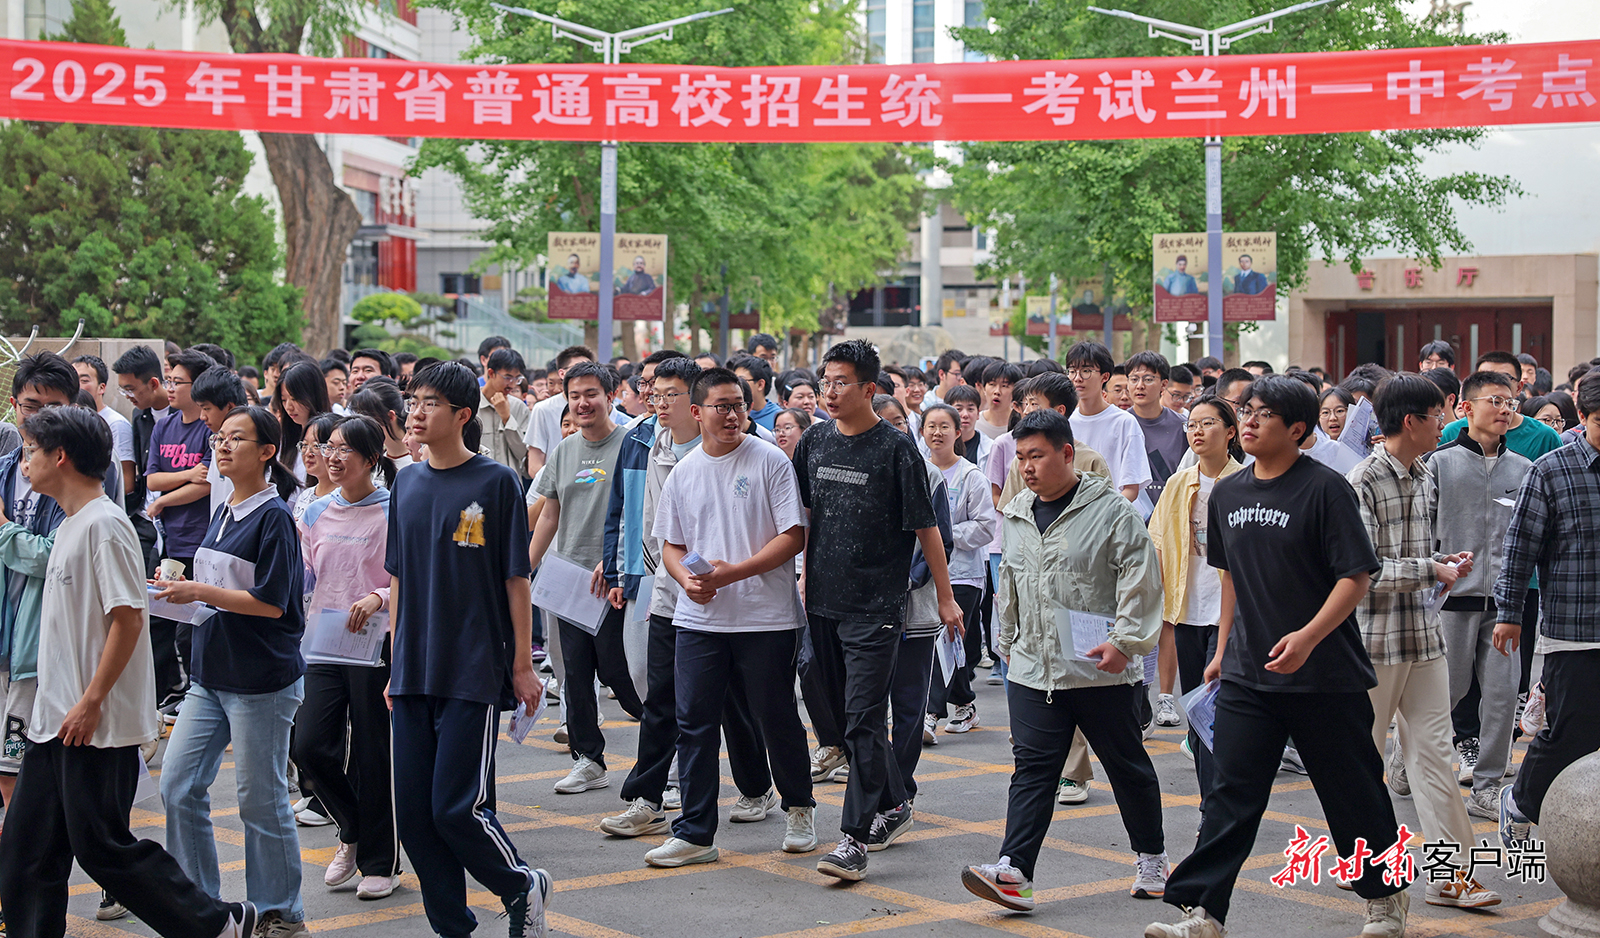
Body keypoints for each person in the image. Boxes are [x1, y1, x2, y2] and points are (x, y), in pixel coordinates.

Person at [1145, 375, 1409, 938]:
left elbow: (1356, 576)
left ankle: (1385, 899)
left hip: (1326, 674)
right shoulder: (1230, 494)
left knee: (1354, 792)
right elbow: (1231, 578)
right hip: (1248, 675)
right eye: (1247, 410)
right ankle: (1203, 913)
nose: (1249, 420)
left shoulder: (1326, 489)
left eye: (1264, 413)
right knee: (1229, 795)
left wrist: (1308, 636)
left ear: (1297, 429)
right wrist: (1222, 649)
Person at [0, 406, 259, 938]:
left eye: (31, 452)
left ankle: (218, 923)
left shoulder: (105, 525)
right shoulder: (72, 525)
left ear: (60, 456)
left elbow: (129, 618)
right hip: (54, 720)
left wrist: (92, 700)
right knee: (27, 852)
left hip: (94, 723)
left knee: (102, 847)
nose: (24, 464)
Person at [961, 409, 1167, 912]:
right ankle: (1014, 871)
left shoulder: (1111, 511)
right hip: (1033, 668)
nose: (1026, 467)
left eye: (1037, 455)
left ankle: (1153, 858)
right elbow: (1010, 584)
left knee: (1126, 766)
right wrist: (1006, 641)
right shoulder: (1016, 513)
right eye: (1020, 457)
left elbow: (1140, 578)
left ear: (1067, 453)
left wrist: (1125, 642)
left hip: (1100, 670)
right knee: (1032, 769)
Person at [385, 362, 552, 938]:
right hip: (413, 667)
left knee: (456, 808)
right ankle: (452, 927)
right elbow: (398, 577)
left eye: (430, 403)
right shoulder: (405, 483)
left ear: (462, 415)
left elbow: (515, 579)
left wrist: (522, 665)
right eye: (414, 401)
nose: (416, 411)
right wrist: (395, 660)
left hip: (472, 665)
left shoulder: (496, 482)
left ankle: (520, 885)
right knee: (414, 816)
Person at [792, 339, 961, 882]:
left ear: (869, 388)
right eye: (825, 382)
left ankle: (853, 840)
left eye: (841, 382)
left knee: (865, 717)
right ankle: (895, 801)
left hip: (877, 606)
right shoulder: (814, 441)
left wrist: (945, 596)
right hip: (822, 602)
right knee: (844, 720)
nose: (829, 392)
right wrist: (800, 579)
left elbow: (926, 529)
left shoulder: (896, 449)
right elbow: (804, 517)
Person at [642, 367, 818, 866]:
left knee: (776, 715)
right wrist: (687, 579)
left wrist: (731, 573)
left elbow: (793, 536)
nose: (733, 415)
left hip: (766, 619)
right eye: (721, 406)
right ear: (697, 412)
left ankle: (799, 807)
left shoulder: (769, 460)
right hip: (699, 620)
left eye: (738, 404)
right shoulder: (685, 470)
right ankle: (696, 833)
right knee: (694, 724)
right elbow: (671, 544)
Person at [153, 406, 309, 937]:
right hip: (210, 674)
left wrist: (199, 591)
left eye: (235, 439)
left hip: (260, 679)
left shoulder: (274, 517)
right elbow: (219, 591)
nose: (222, 446)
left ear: (266, 452)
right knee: (178, 785)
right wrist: (180, 592)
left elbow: (271, 603)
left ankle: (280, 912)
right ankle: (201, 907)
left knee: (260, 800)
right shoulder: (224, 508)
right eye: (219, 438)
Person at [1346, 374, 1500, 910]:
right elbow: (1362, 570)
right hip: (1373, 643)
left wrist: (1441, 564)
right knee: (1362, 759)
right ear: (1410, 421)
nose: (1445, 423)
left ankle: (1451, 875)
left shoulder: (1425, 473)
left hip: (1422, 636)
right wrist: (1430, 569)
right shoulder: (1361, 480)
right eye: (1438, 415)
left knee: (1435, 753)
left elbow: (1412, 555)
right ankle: (1362, 863)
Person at [2, 352, 120, 811]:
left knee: (18, 772)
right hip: (6, 637)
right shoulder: (6, 467)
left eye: (52, 408)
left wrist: (3, 531)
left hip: (39, 647)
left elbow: (54, 557)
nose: (39, 419)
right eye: (31, 407)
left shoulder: (85, 484)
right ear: (14, 405)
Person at [293, 415, 403, 901]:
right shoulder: (315, 511)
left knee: (373, 753)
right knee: (310, 746)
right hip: (323, 641)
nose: (332, 458)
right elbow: (304, 576)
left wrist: (379, 596)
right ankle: (352, 826)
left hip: (374, 643)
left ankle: (381, 862)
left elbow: (408, 575)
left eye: (344, 450)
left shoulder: (393, 510)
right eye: (328, 448)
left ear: (371, 459)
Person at [1493, 377, 1600, 854]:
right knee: (1570, 730)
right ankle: (1520, 803)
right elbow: (1520, 548)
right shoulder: (1551, 471)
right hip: (1575, 626)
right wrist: (1509, 612)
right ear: (1584, 418)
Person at [528, 362, 644, 792]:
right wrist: (523, 568)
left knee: (621, 673)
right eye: (574, 396)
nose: (582, 403)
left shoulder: (632, 444)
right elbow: (550, 513)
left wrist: (614, 560)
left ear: (610, 396)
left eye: (591, 393)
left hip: (613, 581)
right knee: (575, 675)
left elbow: (641, 510)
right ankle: (588, 759)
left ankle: (667, 746)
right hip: (569, 579)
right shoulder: (564, 450)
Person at [1426, 370, 1532, 818]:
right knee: (1445, 694)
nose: (1505, 409)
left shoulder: (1524, 469)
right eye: (1495, 401)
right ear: (1466, 408)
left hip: (1506, 606)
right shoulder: (1438, 464)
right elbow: (1422, 533)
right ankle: (1407, 757)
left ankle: (1487, 787)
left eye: (1510, 402)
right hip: (1451, 602)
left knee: (1503, 699)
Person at [1149, 396, 1245, 821]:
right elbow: (1157, 541)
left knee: (1220, 715)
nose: (1197, 431)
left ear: (1231, 431)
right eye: (1192, 424)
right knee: (1197, 715)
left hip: (1230, 615)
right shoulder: (1178, 483)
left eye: (1208, 423)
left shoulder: (1245, 482)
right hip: (1186, 612)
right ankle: (1212, 803)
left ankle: (1217, 806)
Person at [920, 404, 996, 740]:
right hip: (924, 575)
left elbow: (986, 526)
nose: (937, 433)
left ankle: (930, 713)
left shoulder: (970, 476)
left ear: (957, 432)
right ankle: (965, 703)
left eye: (944, 426)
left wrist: (943, 535)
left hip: (963, 574)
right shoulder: (916, 471)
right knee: (948, 645)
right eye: (931, 426)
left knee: (948, 640)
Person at [1064, 342, 1150, 503]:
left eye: (1086, 371)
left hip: (1113, 512)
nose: (1077, 378)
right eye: (1072, 371)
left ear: (1104, 377)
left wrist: (1104, 512)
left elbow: (1131, 488)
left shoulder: (1124, 422)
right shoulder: (1065, 422)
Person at [523, 345, 596, 478]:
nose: (584, 374)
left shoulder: (597, 406)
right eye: (577, 369)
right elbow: (534, 466)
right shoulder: (543, 409)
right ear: (562, 373)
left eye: (589, 369)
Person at [71, 354, 135, 501]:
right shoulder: (65, 420)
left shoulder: (116, 424)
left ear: (102, 387)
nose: (77, 385)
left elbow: (127, 481)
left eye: (84, 380)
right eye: (72, 379)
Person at [189, 367, 249, 518]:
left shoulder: (252, 443)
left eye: (207, 409)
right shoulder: (216, 441)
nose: (202, 416)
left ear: (230, 407)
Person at [273, 360, 334, 481]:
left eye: (295, 399)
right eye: (284, 400)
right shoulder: (284, 439)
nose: (289, 407)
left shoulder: (335, 437)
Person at [479, 347, 530, 476]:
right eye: (507, 377)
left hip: (509, 483)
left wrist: (507, 418)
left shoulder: (519, 407)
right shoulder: (472, 405)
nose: (512, 385)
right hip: (478, 481)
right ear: (491, 373)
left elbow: (522, 453)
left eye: (517, 378)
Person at [944, 385, 994, 470]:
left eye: (970, 409)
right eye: (959, 409)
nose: (965, 415)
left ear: (978, 413)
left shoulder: (990, 447)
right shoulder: (933, 444)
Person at [976, 361, 1022, 441]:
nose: (997, 391)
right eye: (992, 384)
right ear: (984, 389)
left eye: (1004, 386)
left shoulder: (1021, 424)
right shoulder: (975, 423)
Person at [731, 355, 780, 430]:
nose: (736, 385)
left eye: (742, 380)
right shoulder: (729, 413)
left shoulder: (778, 417)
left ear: (760, 384)